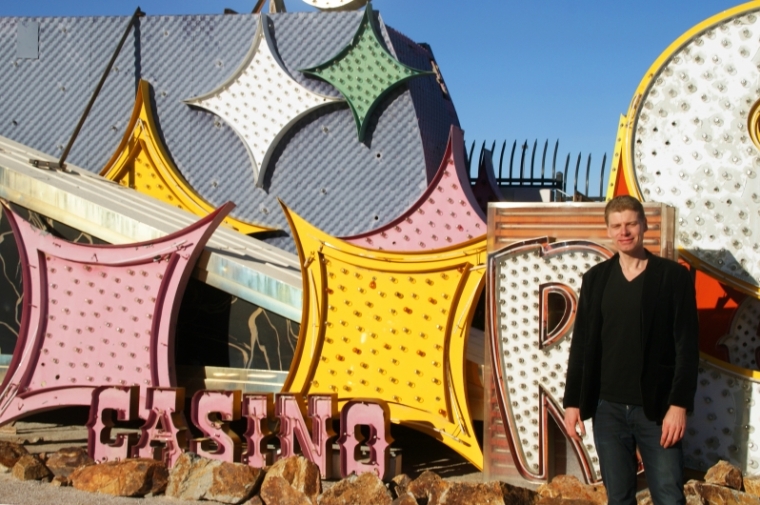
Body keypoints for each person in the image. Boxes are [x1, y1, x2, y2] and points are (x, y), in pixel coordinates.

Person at [562, 195, 699, 505]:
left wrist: (679, 405)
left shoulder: (672, 277)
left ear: (644, 225)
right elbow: (582, 345)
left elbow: (687, 347)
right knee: (619, 498)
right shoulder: (596, 280)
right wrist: (573, 403)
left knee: (668, 496)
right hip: (607, 409)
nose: (624, 232)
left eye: (631, 224)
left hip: (657, 411)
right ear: (609, 230)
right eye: (616, 226)